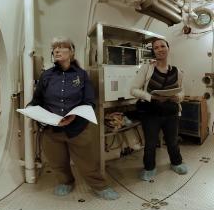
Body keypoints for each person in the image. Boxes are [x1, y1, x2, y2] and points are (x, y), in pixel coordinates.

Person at [28, 36, 119, 200]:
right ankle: (66, 182)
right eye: (55, 48)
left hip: (78, 128)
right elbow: (37, 101)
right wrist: (34, 112)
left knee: (88, 162)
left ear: (71, 52)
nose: (57, 50)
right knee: (57, 162)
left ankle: (99, 186)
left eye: (62, 47)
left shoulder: (82, 75)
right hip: (51, 129)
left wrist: (74, 116)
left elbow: (89, 101)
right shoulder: (47, 76)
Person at [130, 37, 187, 181]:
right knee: (150, 143)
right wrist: (151, 97)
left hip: (171, 112)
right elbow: (133, 90)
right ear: (153, 51)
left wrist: (178, 97)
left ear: (168, 48)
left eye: (163, 46)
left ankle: (177, 162)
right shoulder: (147, 68)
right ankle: (149, 168)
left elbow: (182, 91)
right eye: (156, 47)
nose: (160, 49)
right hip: (151, 112)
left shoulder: (177, 71)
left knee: (173, 140)